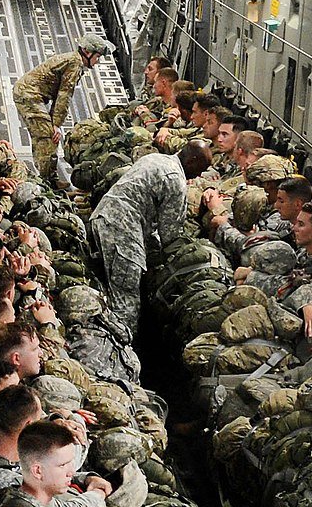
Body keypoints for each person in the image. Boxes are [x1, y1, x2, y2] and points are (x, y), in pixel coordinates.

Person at [87, 144, 211, 345]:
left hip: (104, 218)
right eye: (201, 169)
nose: (199, 175)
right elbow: (171, 235)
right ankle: (122, 352)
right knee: (126, 301)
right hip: (123, 233)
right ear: (192, 161)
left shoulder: (155, 159)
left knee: (111, 287)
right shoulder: (175, 180)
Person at [13, 34, 114, 182]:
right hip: (29, 96)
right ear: (87, 52)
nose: (97, 61)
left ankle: (47, 178)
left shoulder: (73, 59)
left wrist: (54, 121)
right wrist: (56, 125)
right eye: (97, 56)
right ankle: (48, 182)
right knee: (48, 137)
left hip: (27, 93)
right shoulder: (75, 64)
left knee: (43, 136)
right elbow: (64, 96)